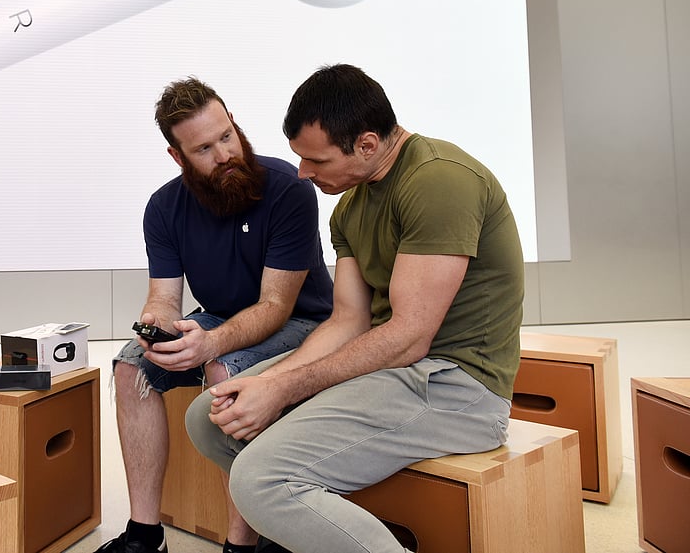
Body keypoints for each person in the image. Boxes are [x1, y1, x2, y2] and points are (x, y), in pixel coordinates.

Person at [185, 63, 525, 553]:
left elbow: (409, 337)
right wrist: (264, 385)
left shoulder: (439, 181)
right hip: (395, 372)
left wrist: (281, 388)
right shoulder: (349, 209)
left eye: (316, 161)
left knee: (259, 480)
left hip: (459, 387)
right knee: (210, 416)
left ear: (367, 144)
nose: (303, 172)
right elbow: (348, 321)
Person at [97, 77, 334, 553]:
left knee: (222, 370)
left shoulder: (289, 189)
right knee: (129, 368)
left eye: (227, 135)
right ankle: (145, 537)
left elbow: (274, 307)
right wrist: (158, 327)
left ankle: (241, 546)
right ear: (178, 157)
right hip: (222, 319)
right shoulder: (164, 208)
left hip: (303, 325)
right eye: (204, 148)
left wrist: (208, 344)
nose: (225, 154)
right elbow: (164, 298)